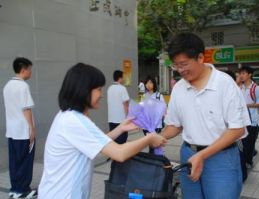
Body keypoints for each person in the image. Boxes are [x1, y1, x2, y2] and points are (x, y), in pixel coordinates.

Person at [38, 63, 166, 199]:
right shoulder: (74, 121)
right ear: (84, 90)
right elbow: (119, 153)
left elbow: (98, 142)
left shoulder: (68, 116)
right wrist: (149, 138)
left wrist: (121, 128)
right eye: (98, 89)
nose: (101, 95)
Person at [162, 32, 250, 199]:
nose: (180, 70)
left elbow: (237, 129)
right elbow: (175, 125)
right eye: (175, 66)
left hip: (221, 158)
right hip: (189, 154)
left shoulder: (225, 84)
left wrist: (202, 155)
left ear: (200, 58)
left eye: (183, 64)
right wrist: (155, 138)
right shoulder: (179, 88)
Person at [3, 57, 37, 198]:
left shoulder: (7, 85)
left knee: (15, 161)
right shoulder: (23, 86)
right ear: (24, 70)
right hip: (23, 131)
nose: (31, 72)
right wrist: (32, 129)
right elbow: (26, 109)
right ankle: (23, 191)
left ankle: (15, 189)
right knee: (25, 161)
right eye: (30, 69)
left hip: (12, 131)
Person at [239, 66, 259, 169]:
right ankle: (245, 158)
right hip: (241, 121)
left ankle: (248, 161)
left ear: (250, 74)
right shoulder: (240, 87)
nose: (241, 75)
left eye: (243, 73)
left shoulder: (256, 88)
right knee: (243, 143)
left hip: (253, 120)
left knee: (250, 143)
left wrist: (247, 105)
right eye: (240, 73)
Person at [107, 70, 130, 144]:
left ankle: (114, 155)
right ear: (120, 78)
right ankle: (120, 155)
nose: (124, 79)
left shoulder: (109, 88)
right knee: (122, 140)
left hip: (111, 119)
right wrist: (128, 117)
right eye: (123, 77)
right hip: (121, 120)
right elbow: (126, 104)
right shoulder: (122, 88)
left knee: (114, 140)